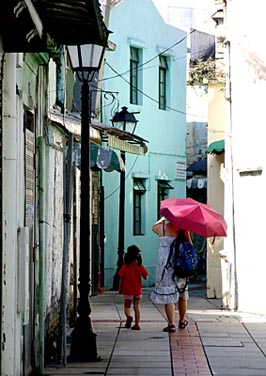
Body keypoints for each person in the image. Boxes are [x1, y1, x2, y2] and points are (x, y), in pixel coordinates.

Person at [150, 217, 192, 332]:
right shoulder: (183, 229)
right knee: (182, 293)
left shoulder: (162, 228)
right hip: (181, 264)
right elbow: (190, 246)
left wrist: (161, 219)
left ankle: (171, 324)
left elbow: (153, 228)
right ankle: (182, 320)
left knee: (169, 295)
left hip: (166, 265)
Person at [118, 245, 148, 330]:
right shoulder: (140, 266)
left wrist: (120, 288)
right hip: (137, 290)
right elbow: (146, 276)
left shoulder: (125, 266)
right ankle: (137, 324)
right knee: (136, 307)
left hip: (127, 289)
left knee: (127, 306)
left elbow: (121, 278)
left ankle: (128, 317)